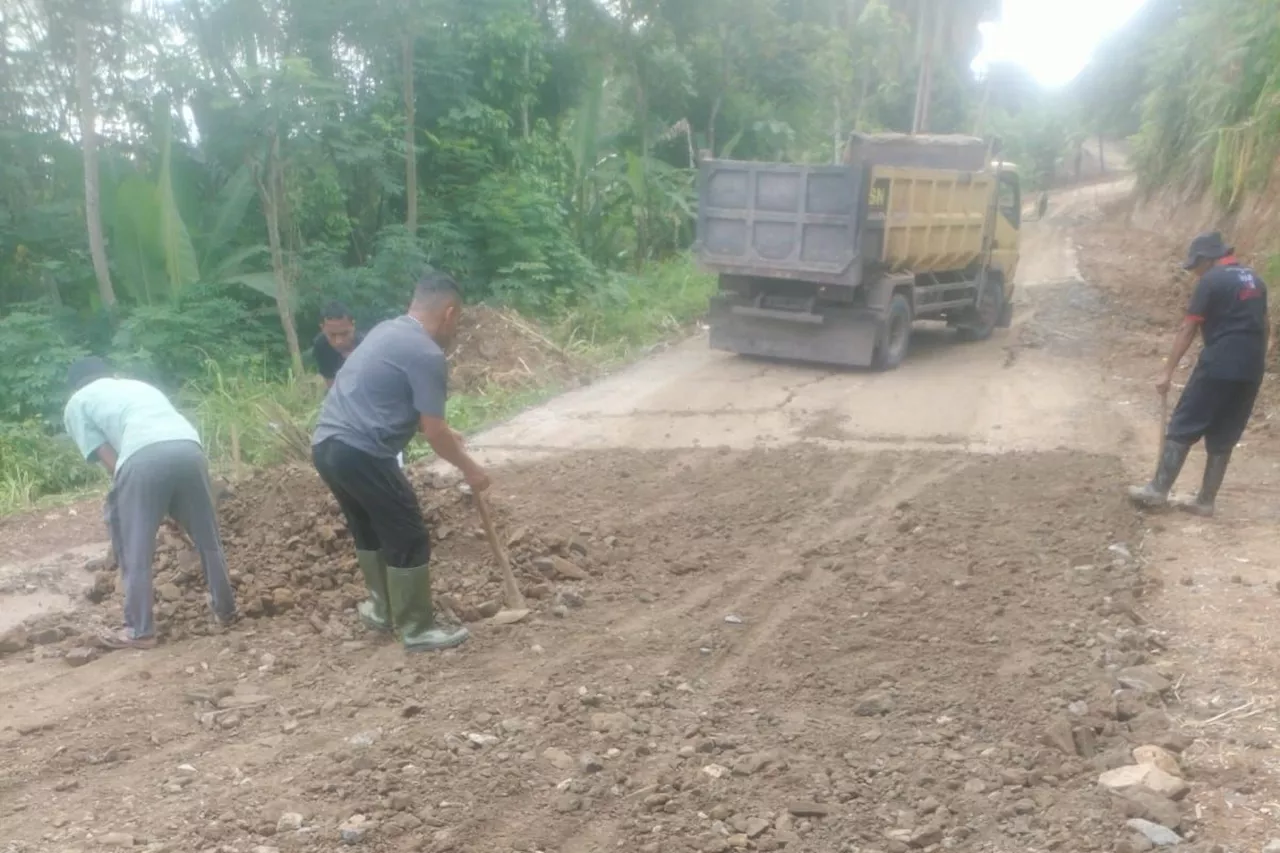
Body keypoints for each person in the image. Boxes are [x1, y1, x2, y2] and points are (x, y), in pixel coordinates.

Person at [311, 271, 489, 652]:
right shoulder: (427, 353)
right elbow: (435, 433)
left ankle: (382, 610)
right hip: (360, 451)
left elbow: (405, 410)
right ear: (450, 313)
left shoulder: (385, 332)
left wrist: (442, 431)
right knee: (407, 531)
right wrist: (471, 468)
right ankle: (416, 628)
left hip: (326, 446)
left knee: (369, 529)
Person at [63, 358, 237, 649]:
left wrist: (142, 503)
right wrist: (164, 503)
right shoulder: (135, 386)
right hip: (189, 447)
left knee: (134, 546)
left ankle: (140, 631)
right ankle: (226, 610)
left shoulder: (77, 402)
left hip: (142, 457)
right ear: (109, 374)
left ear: (75, 385)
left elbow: (110, 460)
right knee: (208, 537)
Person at [1129, 232, 1268, 516]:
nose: (1194, 273)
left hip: (1219, 363)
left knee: (1184, 423)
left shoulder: (1211, 281)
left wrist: (1167, 371)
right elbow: (1265, 327)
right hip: (1251, 368)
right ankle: (1205, 501)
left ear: (1207, 259)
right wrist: (1257, 360)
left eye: (1195, 266)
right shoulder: (1256, 280)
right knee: (1225, 432)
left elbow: (1188, 328)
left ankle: (1157, 490)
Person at [313, 301, 362, 390]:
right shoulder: (321, 346)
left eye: (344, 334)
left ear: (353, 326)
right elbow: (330, 382)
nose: (338, 341)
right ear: (322, 328)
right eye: (332, 335)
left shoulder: (367, 343)